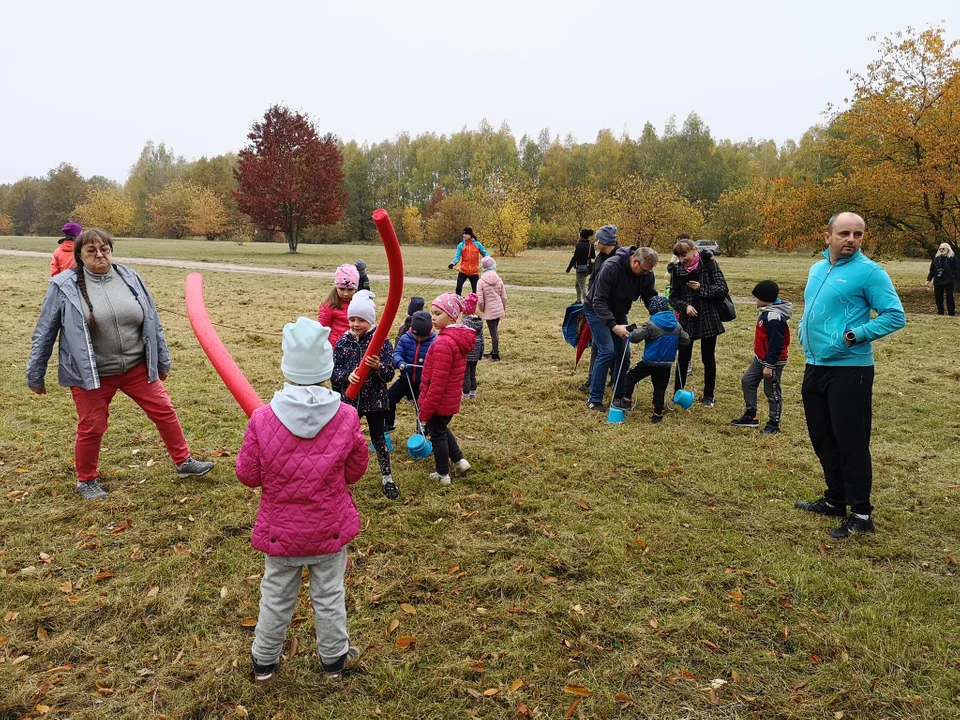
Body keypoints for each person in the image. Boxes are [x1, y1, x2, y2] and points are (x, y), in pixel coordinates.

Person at [26, 228, 214, 500]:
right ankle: (86, 480)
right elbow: (44, 331)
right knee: (92, 426)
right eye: (91, 251)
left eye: (104, 249)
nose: (99, 255)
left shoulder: (129, 277)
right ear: (79, 255)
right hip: (90, 373)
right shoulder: (64, 285)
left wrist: (162, 359)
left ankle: (184, 462)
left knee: (164, 410)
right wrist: (35, 374)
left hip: (136, 367)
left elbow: (152, 322)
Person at [236, 317, 367, 683]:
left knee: (276, 597)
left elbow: (247, 475)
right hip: (328, 529)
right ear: (326, 369)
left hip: (281, 534)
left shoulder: (262, 418)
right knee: (329, 596)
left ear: (286, 367)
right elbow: (356, 470)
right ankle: (334, 661)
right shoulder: (346, 416)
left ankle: (264, 663)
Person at [794, 212, 906, 539]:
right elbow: (814, 308)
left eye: (858, 234)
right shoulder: (817, 268)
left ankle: (861, 514)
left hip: (851, 369)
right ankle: (835, 499)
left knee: (851, 442)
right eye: (844, 233)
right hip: (816, 365)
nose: (851, 239)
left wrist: (852, 336)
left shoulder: (870, 273)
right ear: (827, 236)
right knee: (823, 438)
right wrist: (802, 328)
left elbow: (894, 316)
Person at [331, 290, 398, 500]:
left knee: (379, 439)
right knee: (343, 439)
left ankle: (387, 477)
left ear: (371, 321)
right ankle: (337, 477)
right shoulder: (343, 342)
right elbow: (333, 371)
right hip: (349, 401)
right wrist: (345, 377)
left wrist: (378, 367)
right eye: (352, 319)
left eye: (361, 320)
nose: (355, 324)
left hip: (375, 401)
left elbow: (389, 374)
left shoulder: (382, 343)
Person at [583, 243, 659, 411]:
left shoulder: (647, 274)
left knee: (623, 354)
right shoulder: (611, 267)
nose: (646, 274)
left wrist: (660, 317)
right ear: (635, 261)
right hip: (596, 310)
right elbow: (598, 300)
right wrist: (613, 326)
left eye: (649, 271)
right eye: (644, 270)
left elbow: (650, 296)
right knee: (606, 350)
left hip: (619, 312)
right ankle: (594, 399)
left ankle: (619, 395)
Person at [419, 293, 475, 485]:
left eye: (438, 313)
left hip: (440, 400)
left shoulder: (444, 342)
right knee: (441, 428)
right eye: (432, 313)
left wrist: (425, 409)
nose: (433, 318)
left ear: (452, 316)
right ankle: (460, 460)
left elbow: (438, 382)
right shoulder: (453, 337)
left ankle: (443, 474)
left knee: (437, 435)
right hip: (448, 399)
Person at [669, 237, 730, 408]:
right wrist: (685, 306)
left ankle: (708, 396)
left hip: (709, 317)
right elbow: (673, 297)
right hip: (688, 320)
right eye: (679, 257)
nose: (682, 260)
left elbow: (722, 289)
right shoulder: (676, 270)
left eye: (684, 255)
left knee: (708, 357)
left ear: (694, 250)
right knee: (683, 357)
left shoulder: (710, 264)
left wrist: (701, 288)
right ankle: (678, 393)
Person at [612, 295, 689, 423]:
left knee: (631, 376)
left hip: (649, 362)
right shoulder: (677, 325)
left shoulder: (651, 324)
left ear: (652, 310)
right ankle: (657, 414)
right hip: (667, 363)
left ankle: (626, 400)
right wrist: (675, 347)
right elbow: (685, 340)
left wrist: (629, 334)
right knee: (660, 388)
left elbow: (637, 337)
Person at [731, 281, 792, 434]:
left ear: (765, 298)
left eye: (757, 297)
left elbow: (776, 345)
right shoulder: (766, 311)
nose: (755, 300)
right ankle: (751, 415)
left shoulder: (774, 317)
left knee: (772, 391)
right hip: (760, 358)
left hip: (773, 361)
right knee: (747, 381)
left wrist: (770, 365)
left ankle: (774, 423)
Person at [580, 225, 620, 393]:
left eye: (597, 240)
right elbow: (593, 279)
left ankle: (614, 378)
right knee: (599, 344)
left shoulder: (619, 259)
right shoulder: (600, 258)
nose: (595, 243)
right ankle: (593, 378)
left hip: (613, 310)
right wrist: (589, 295)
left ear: (604, 241)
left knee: (611, 347)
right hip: (596, 307)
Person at [385, 310, 435, 433]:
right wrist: (400, 362)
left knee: (422, 408)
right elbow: (396, 353)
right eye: (416, 335)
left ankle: (422, 431)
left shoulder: (435, 342)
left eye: (422, 336)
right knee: (389, 397)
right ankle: (389, 424)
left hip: (423, 383)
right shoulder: (405, 338)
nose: (418, 338)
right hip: (405, 378)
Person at [319, 265, 360, 394]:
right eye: (342, 289)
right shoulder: (329, 305)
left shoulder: (360, 304)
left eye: (350, 289)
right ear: (336, 287)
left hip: (356, 349)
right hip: (336, 351)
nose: (346, 293)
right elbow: (322, 329)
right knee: (338, 380)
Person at [477, 256, 506, 361]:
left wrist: (482, 309)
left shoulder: (481, 281)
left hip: (489, 310)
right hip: (498, 308)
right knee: (495, 331)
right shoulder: (499, 279)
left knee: (493, 333)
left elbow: (480, 300)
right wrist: (503, 308)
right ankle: (493, 350)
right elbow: (504, 297)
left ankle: (495, 355)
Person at [448, 227, 489, 295]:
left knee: (476, 291)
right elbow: (457, 256)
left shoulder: (477, 244)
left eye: (466, 234)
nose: (464, 235)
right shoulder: (461, 245)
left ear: (470, 235)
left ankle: (475, 304)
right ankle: (459, 303)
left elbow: (485, 253)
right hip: (463, 271)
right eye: (463, 234)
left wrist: (489, 260)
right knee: (458, 288)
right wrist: (453, 263)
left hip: (474, 272)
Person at [461, 293, 484, 398]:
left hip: (467, 351)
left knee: (466, 374)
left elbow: (463, 338)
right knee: (472, 373)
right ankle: (473, 393)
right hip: (476, 350)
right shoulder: (479, 321)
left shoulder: (465, 321)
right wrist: (481, 352)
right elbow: (482, 338)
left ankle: (465, 394)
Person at [926, 242, 958, 316]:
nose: (941, 250)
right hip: (938, 280)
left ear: (947, 249)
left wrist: (953, 278)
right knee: (938, 296)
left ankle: (951, 312)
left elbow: (956, 269)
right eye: (940, 249)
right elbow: (932, 270)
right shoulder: (936, 258)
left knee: (949, 296)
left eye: (943, 249)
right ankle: (940, 311)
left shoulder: (952, 258)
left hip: (949, 281)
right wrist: (929, 279)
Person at [566, 229, 596, 303]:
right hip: (588, 268)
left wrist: (569, 268)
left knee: (582, 286)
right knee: (577, 284)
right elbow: (593, 256)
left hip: (580, 268)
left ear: (581, 236)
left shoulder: (579, 245)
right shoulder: (590, 245)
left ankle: (586, 302)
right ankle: (578, 300)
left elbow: (574, 258)